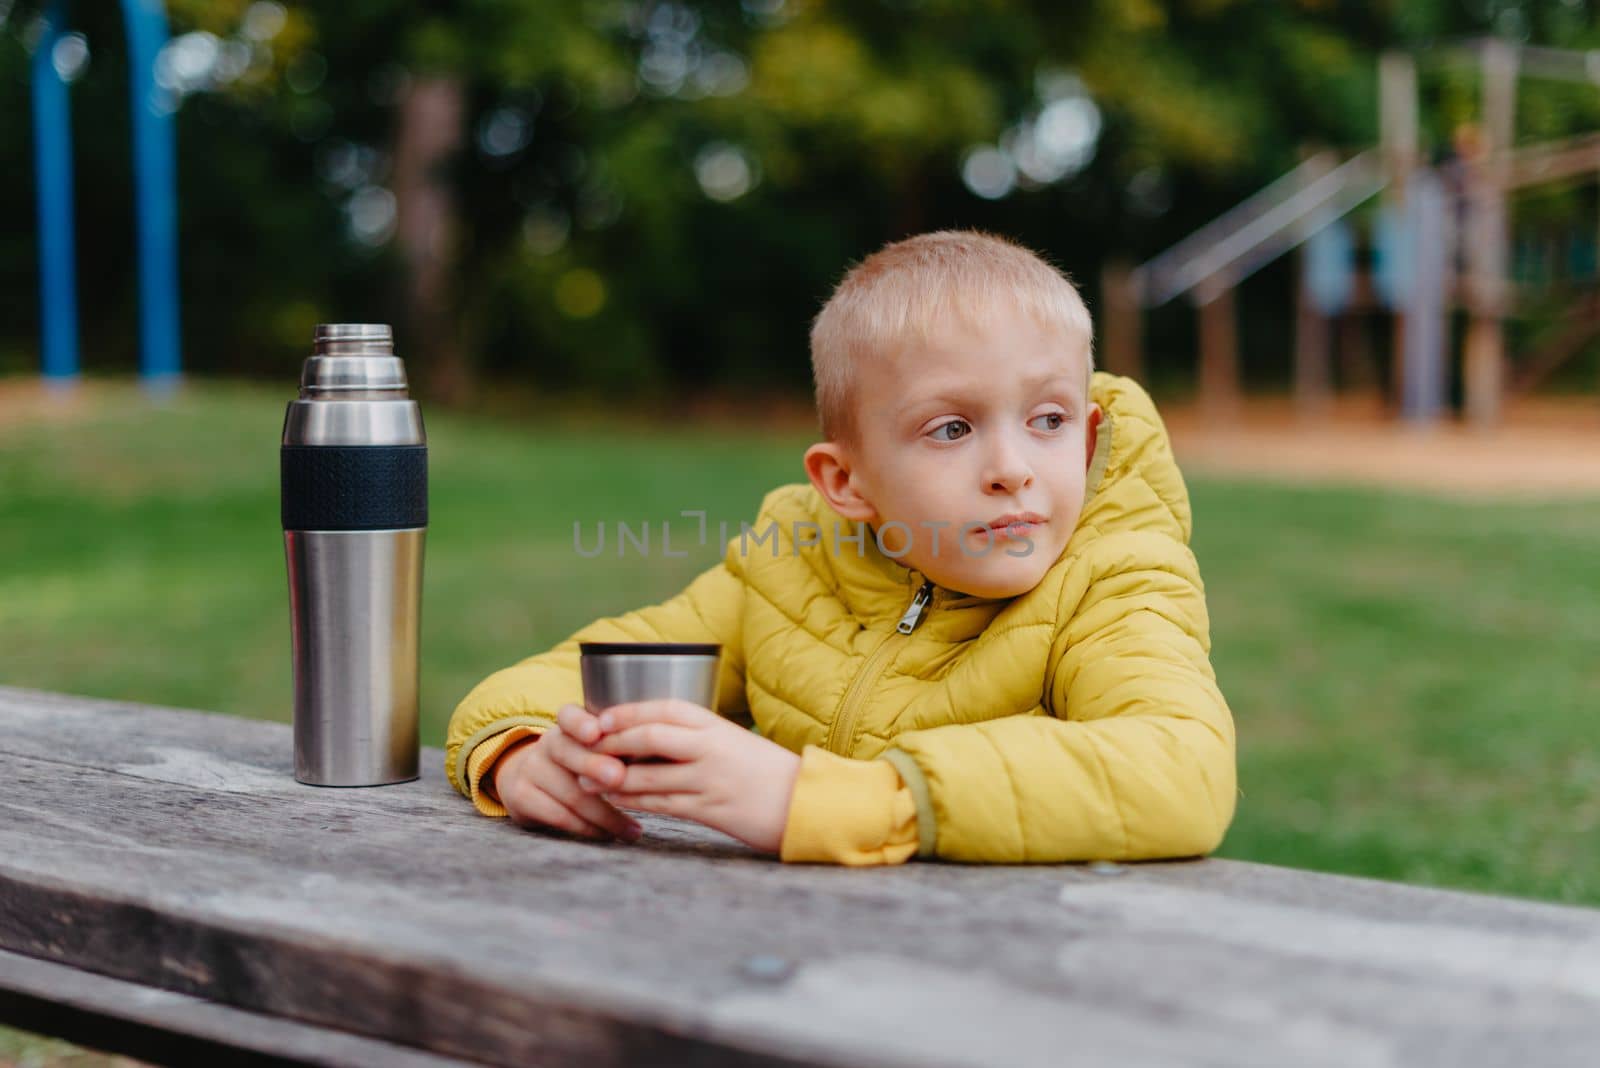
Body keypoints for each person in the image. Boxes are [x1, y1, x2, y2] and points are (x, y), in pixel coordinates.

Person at [444, 230, 1237, 866]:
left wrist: (820, 799)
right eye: (952, 428)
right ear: (846, 483)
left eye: (1049, 420)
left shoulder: (1116, 581)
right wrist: (524, 754)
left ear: (1090, 434)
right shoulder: (790, 567)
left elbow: (1180, 772)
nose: (1012, 470)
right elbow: (568, 675)